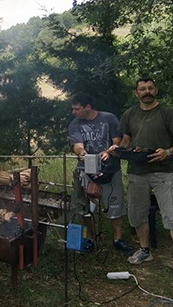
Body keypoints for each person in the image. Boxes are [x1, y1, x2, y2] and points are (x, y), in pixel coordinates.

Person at [113, 78, 173, 285]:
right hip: (136, 171)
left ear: (156, 90)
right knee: (137, 214)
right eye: (142, 89)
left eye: (150, 88)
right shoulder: (130, 114)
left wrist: (167, 152)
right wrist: (118, 150)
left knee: (172, 215)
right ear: (136, 93)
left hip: (163, 171)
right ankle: (145, 250)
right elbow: (126, 140)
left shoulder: (167, 112)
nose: (147, 92)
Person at [68, 92, 132, 255]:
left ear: (88, 107)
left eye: (76, 109)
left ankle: (118, 240)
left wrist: (108, 152)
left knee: (115, 205)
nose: (73, 112)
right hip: (85, 171)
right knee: (85, 208)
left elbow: (117, 141)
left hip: (110, 169)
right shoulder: (75, 124)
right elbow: (77, 145)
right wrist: (82, 153)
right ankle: (90, 239)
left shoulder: (109, 118)